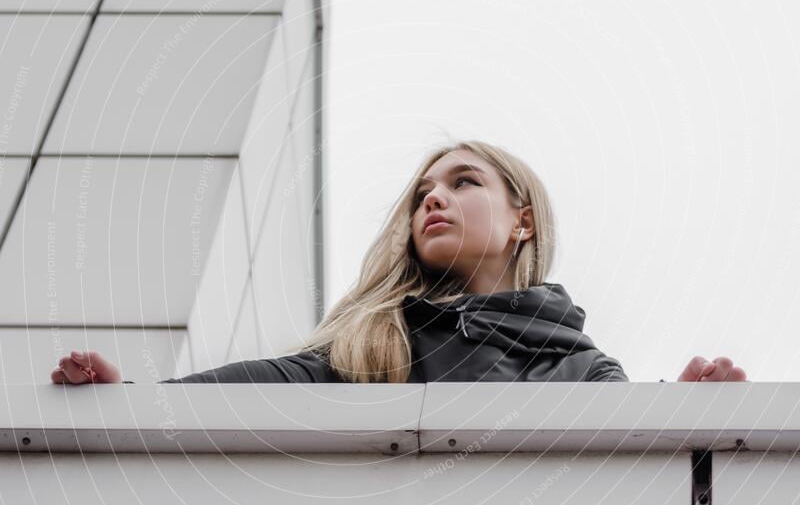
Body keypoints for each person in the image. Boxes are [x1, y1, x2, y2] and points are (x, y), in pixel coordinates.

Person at [51, 140, 748, 386]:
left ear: (522, 220)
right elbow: (256, 387)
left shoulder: (578, 366)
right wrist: (138, 396)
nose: (434, 199)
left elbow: (634, 456)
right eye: (422, 193)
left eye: (463, 182)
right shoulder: (373, 343)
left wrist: (683, 404)